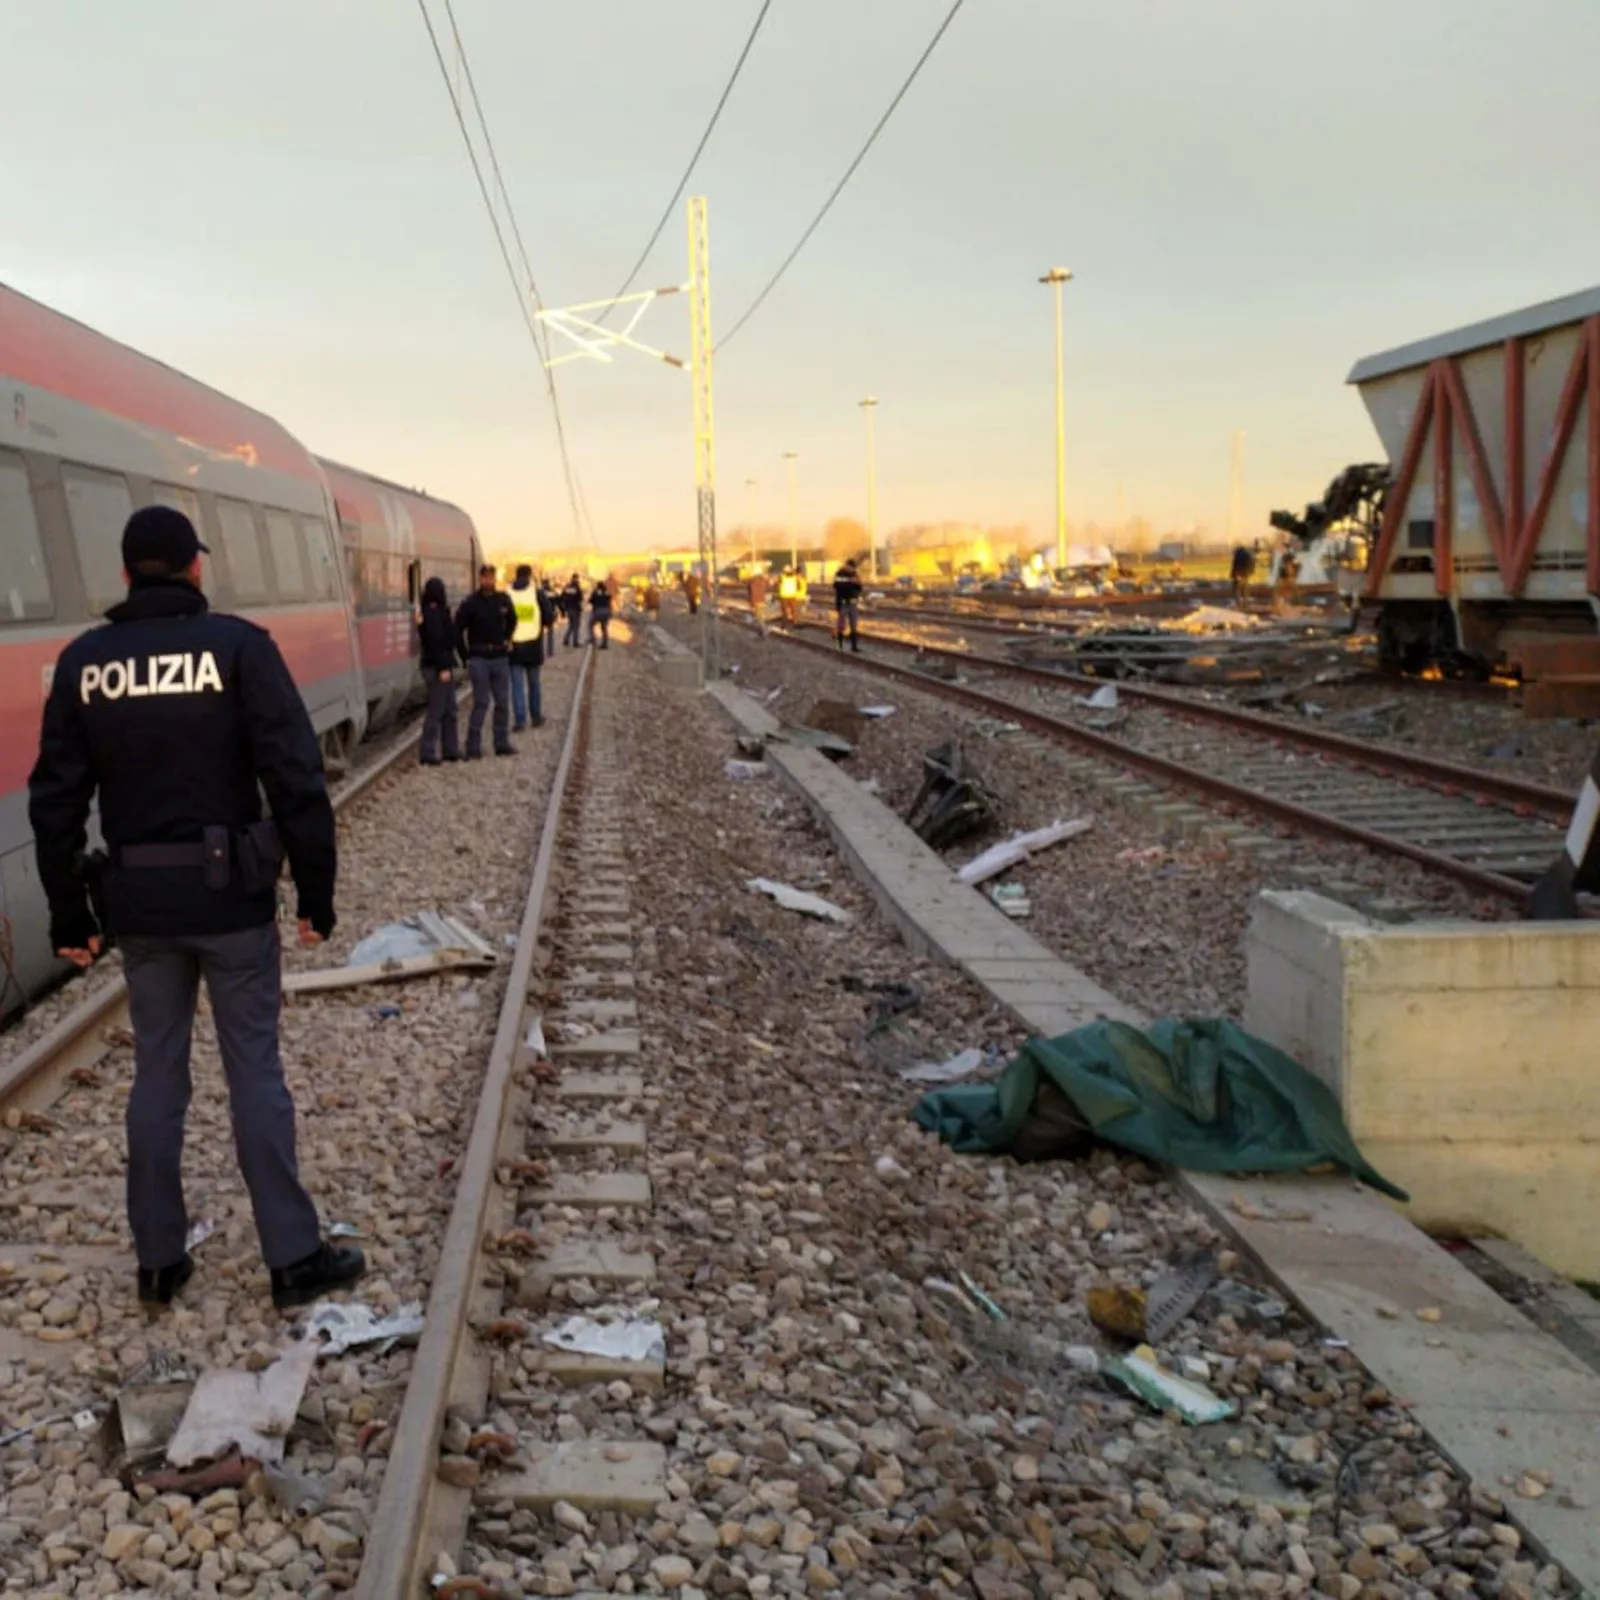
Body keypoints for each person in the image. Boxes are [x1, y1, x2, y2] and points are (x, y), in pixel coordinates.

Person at [26, 506, 365, 1311]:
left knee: (156, 1077)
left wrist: (68, 916)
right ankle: (291, 1258)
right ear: (194, 568)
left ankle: (158, 1259)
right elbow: (295, 777)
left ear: (125, 573)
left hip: (140, 909)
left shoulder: (85, 662)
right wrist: (316, 893)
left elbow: (56, 802)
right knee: (254, 1071)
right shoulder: (238, 649)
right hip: (232, 902)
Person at [454, 564, 517, 758]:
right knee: (481, 702)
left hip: (499, 657)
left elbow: (513, 620)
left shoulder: (503, 600)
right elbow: (458, 629)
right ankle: (472, 745)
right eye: (485, 577)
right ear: (480, 579)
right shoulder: (470, 603)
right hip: (479, 657)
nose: (488, 581)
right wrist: (465, 656)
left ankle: (501, 742)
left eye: (491, 577)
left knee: (503, 702)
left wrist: (507, 638)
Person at [418, 577, 461, 764]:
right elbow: (437, 642)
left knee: (450, 708)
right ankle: (428, 752)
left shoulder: (429, 612)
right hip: (438, 667)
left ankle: (450, 749)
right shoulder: (434, 614)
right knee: (437, 711)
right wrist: (443, 668)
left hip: (436, 665)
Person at [507, 563, 545, 732]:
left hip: (514, 646)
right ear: (529, 576)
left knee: (516, 686)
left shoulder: (507, 594)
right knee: (534, 684)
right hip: (533, 645)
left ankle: (520, 720)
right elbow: (549, 616)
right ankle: (536, 717)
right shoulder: (536, 593)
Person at [833, 559, 863, 652]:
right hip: (843, 603)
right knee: (841, 625)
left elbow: (860, 587)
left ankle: (854, 647)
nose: (853, 569)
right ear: (848, 566)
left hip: (853, 603)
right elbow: (837, 586)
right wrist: (851, 582)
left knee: (854, 625)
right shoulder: (840, 573)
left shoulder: (855, 574)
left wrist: (856, 583)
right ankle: (840, 646)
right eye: (852, 567)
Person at [589, 576, 614, 649]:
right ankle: (604, 644)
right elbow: (610, 598)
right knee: (604, 628)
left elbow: (590, 600)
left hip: (598, 611)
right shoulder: (607, 592)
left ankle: (593, 640)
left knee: (590, 625)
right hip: (607, 611)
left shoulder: (596, 592)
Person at [538, 578, 560, 657]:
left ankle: (540, 652)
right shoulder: (553, 592)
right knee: (550, 634)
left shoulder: (539, 592)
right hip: (551, 614)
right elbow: (558, 601)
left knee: (540, 635)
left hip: (540, 615)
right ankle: (550, 652)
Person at [562, 573, 584, 648]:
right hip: (575, 609)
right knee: (576, 626)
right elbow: (580, 598)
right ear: (576, 578)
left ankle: (566, 640)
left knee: (571, 625)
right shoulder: (577, 587)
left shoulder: (567, 587)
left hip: (569, 609)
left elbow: (562, 596)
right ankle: (575, 642)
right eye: (578, 578)